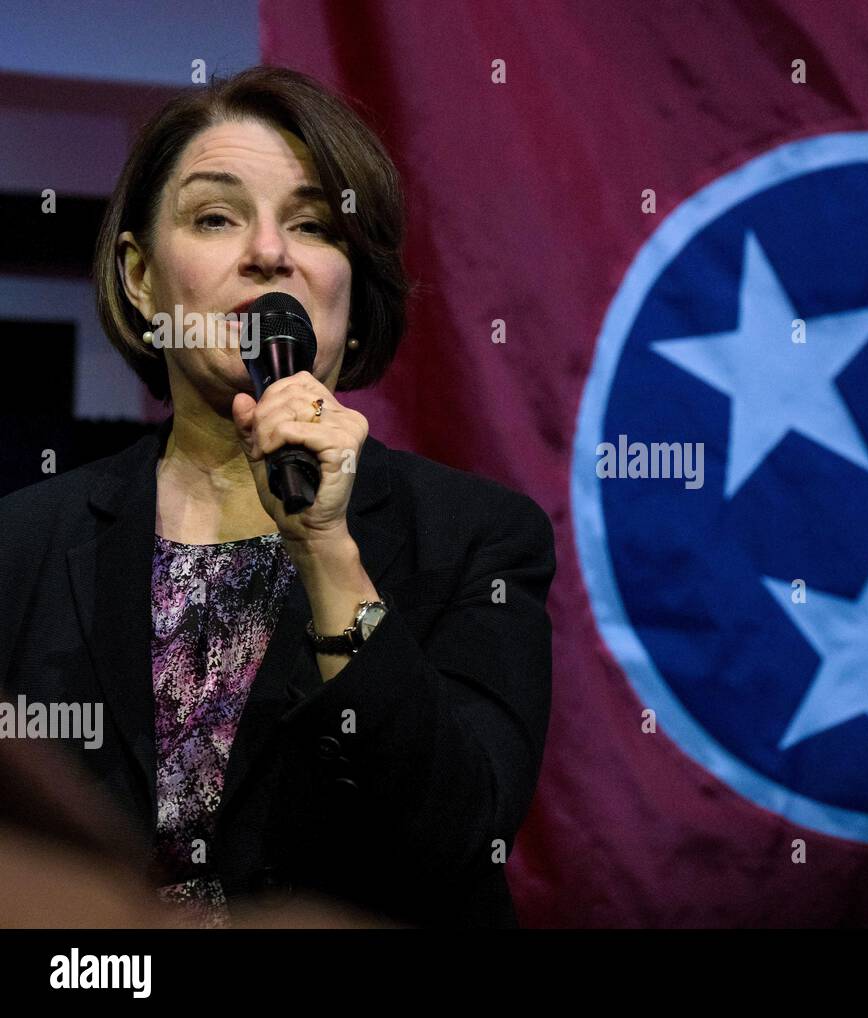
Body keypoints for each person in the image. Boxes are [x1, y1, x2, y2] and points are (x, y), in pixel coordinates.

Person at [0, 65, 555, 928]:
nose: (268, 252)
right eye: (215, 217)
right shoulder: (23, 541)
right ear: (143, 279)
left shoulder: (476, 538)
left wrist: (326, 546)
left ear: (353, 295)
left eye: (311, 224)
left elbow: (458, 842)